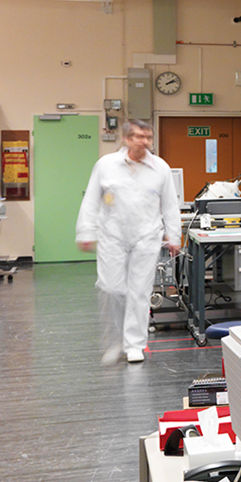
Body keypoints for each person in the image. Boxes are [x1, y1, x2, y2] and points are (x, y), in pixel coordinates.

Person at [76, 119, 180, 364]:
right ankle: (115, 342)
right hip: (112, 236)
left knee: (140, 292)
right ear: (126, 139)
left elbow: (170, 204)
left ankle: (135, 345)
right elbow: (91, 200)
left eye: (148, 137)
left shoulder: (160, 168)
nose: (144, 141)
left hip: (147, 237)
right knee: (111, 288)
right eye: (139, 136)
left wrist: (174, 236)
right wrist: (86, 231)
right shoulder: (106, 165)